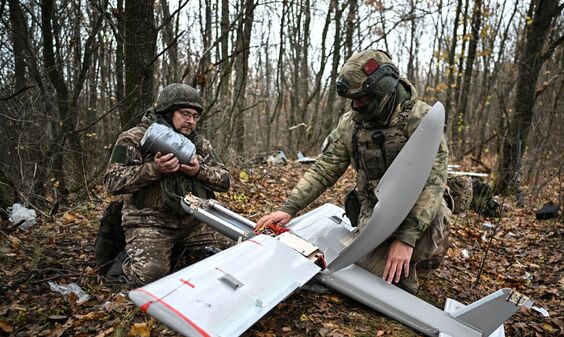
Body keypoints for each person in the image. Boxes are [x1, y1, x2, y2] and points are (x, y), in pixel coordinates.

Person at [256, 50, 450, 294]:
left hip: (419, 209)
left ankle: (419, 253)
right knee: (362, 274)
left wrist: (406, 239)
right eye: (353, 99)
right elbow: (324, 169)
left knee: (402, 266)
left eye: (363, 98)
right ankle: (392, 256)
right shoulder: (351, 124)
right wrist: (288, 208)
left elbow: (432, 184)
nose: (356, 105)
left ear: (384, 89)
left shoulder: (422, 120)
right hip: (377, 212)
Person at [103, 83, 232, 286]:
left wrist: (199, 171)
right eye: (184, 114)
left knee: (238, 248)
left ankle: (181, 253)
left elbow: (225, 180)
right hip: (149, 221)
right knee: (150, 276)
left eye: (195, 116)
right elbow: (112, 182)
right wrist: (154, 169)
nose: (191, 121)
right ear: (167, 112)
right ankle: (126, 261)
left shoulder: (198, 144)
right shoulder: (134, 138)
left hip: (193, 220)